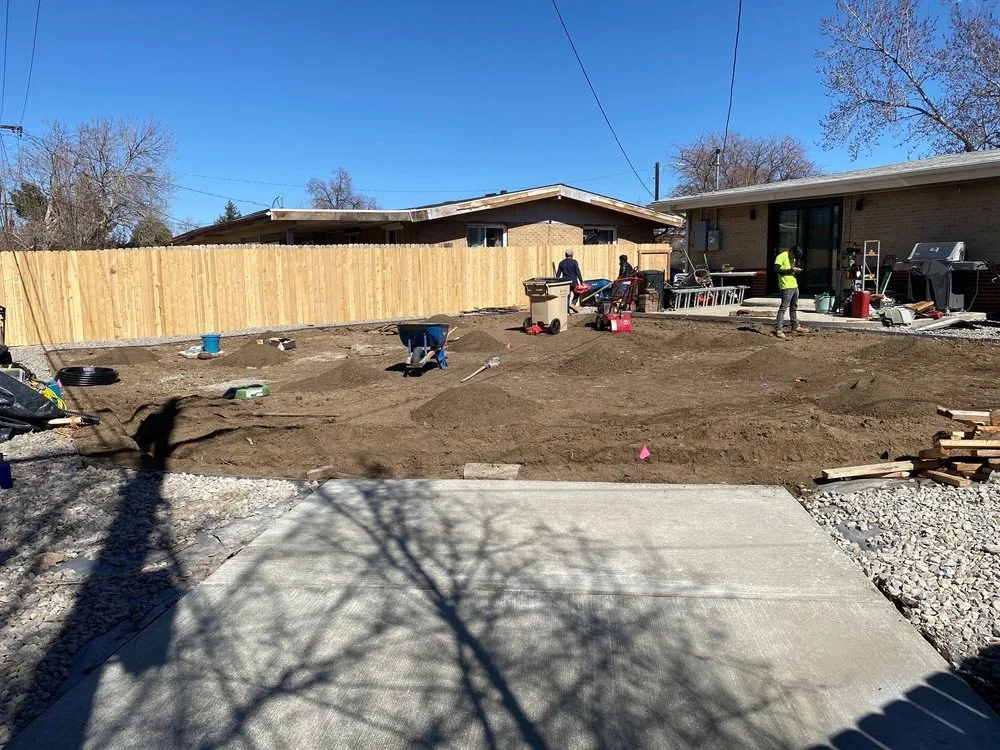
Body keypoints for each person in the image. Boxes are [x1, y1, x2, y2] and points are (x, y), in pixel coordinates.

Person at [773, 245, 808, 339]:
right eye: (794, 256)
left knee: (794, 307)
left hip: (794, 285)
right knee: (783, 308)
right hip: (786, 286)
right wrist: (791, 270)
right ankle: (778, 329)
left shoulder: (793, 258)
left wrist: (795, 271)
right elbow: (776, 269)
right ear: (791, 251)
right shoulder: (781, 256)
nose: (794, 258)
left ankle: (795, 326)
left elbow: (789, 270)